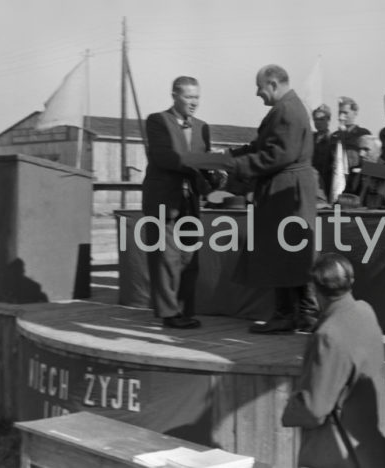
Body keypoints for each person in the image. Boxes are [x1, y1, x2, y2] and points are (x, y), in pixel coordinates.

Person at [188, 65, 318, 333]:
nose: (258, 94)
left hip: (285, 190)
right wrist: (229, 155)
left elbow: (275, 156)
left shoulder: (286, 110)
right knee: (293, 251)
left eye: (260, 87)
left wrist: (235, 165)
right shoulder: (289, 108)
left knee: (281, 251)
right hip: (290, 188)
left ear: (272, 83)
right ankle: (305, 312)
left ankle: (286, 315)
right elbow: (262, 148)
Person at [282, 253, 385, 468]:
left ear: (314, 289)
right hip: (373, 450)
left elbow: (315, 409)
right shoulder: (365, 311)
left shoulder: (328, 335)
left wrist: (290, 410)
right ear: (351, 281)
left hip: (338, 454)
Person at [142, 76, 219, 329]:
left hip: (190, 201)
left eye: (197, 97)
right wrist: (205, 162)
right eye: (188, 97)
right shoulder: (157, 121)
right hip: (163, 200)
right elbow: (165, 157)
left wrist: (218, 176)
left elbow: (205, 165)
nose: (194, 102)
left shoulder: (203, 127)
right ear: (174, 95)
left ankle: (185, 310)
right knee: (166, 258)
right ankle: (169, 313)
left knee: (189, 258)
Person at [330, 96, 371, 172]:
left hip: (355, 178)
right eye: (340, 112)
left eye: (345, 113)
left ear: (355, 112)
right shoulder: (334, 136)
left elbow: (368, 161)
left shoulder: (363, 134)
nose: (341, 116)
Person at [311, 104, 334, 200]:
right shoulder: (310, 138)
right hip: (312, 179)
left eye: (321, 119)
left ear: (328, 120)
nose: (318, 122)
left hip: (327, 179)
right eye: (316, 119)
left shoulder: (333, 139)